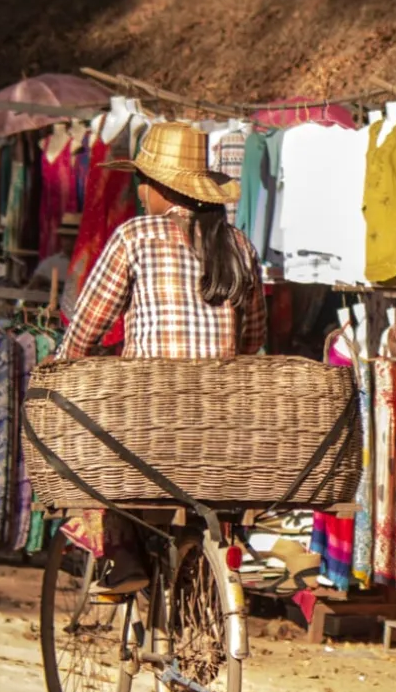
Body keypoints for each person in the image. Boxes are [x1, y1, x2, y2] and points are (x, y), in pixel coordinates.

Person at [56, 121, 265, 591]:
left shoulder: (136, 236)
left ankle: (122, 555)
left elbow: (87, 327)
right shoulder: (241, 246)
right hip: (220, 422)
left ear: (161, 189)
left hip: (152, 418)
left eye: (143, 182)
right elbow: (252, 338)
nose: (140, 191)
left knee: (93, 443)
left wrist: (63, 363)